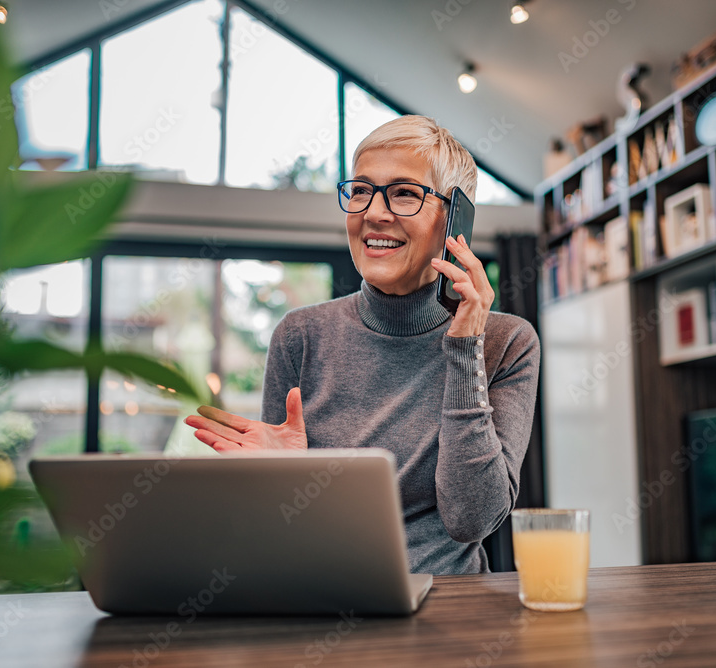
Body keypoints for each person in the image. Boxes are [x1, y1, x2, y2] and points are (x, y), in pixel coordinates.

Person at [184, 115, 540, 575]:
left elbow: (471, 518)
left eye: (405, 193)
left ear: (457, 220)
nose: (374, 212)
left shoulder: (505, 342)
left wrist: (464, 348)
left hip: (451, 611)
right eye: (360, 190)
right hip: (322, 599)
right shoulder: (300, 336)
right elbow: (274, 532)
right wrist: (287, 483)